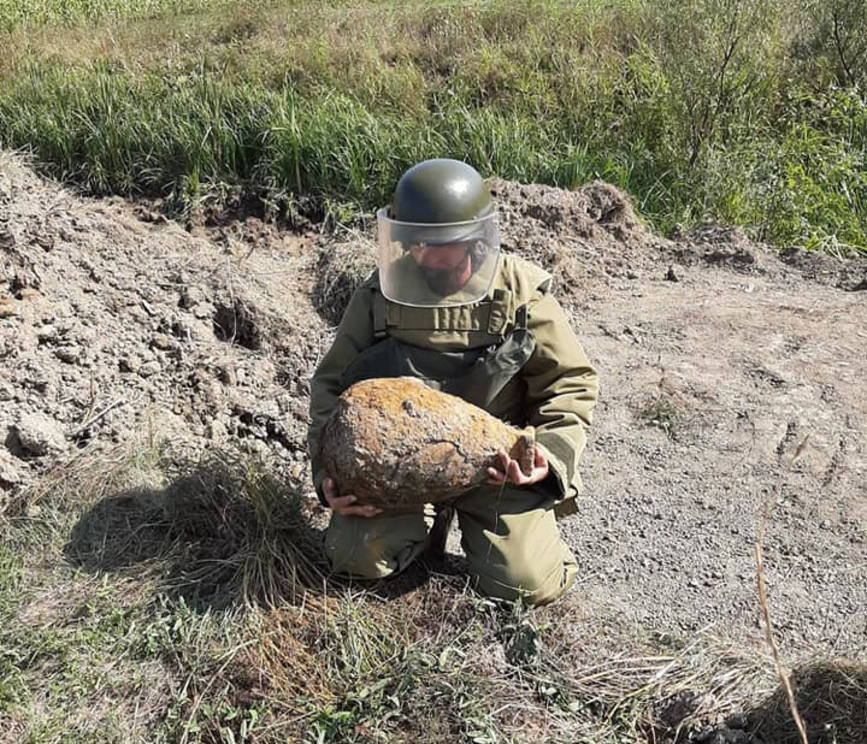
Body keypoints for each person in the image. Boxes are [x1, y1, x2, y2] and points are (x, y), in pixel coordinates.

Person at [308, 159, 599, 605]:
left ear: (474, 240)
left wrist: (548, 456)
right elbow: (330, 384)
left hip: (497, 466)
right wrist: (329, 474)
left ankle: (519, 536)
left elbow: (570, 383)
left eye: (439, 243)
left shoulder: (519, 294)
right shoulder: (379, 294)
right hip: (400, 467)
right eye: (414, 241)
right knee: (354, 558)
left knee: (524, 584)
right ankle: (424, 529)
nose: (423, 254)